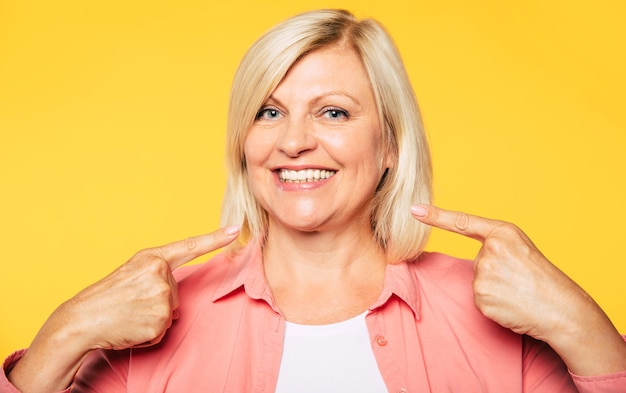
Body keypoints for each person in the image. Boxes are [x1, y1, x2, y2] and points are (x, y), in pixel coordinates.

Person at [2, 8, 626, 393]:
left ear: (390, 145)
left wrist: (583, 328)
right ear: (243, 142)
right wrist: (67, 332)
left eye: (333, 112)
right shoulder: (144, 322)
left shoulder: (499, 320)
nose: (295, 141)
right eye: (269, 112)